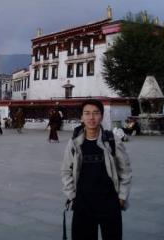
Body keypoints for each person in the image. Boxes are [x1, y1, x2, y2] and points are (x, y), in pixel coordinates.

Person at [61, 99, 132, 240]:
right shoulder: (74, 142)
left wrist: (122, 197)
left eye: (95, 113)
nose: (91, 118)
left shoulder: (113, 140)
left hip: (109, 201)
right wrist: (72, 196)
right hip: (82, 202)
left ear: (102, 115)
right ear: (82, 117)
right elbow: (66, 171)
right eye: (87, 113)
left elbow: (125, 171)